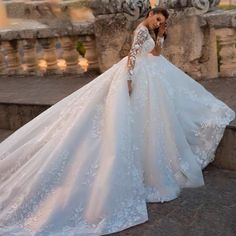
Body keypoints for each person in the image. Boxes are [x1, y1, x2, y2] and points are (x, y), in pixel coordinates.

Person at [0, 6, 235, 236]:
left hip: (152, 72)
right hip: (138, 74)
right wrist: (130, 79)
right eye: (157, 19)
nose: (158, 23)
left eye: (162, 21)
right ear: (150, 14)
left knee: (165, 111)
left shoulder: (153, 32)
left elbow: (155, 54)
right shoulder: (141, 30)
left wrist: (161, 37)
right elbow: (133, 55)